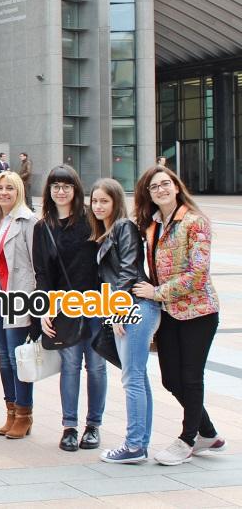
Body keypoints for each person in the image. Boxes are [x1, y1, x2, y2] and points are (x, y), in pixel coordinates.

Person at [132, 166, 224, 465]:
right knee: (171, 379)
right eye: (153, 187)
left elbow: (198, 275)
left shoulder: (195, 222)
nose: (160, 190)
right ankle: (208, 431)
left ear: (176, 186)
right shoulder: (153, 224)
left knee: (191, 376)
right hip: (170, 313)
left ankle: (188, 439)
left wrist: (156, 293)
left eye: (165, 184)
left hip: (199, 311)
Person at [35, 164, 105, 453]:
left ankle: (93, 425)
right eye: (55, 187)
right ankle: (69, 426)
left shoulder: (91, 220)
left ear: (76, 189)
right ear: (49, 192)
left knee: (97, 366)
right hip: (63, 308)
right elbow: (42, 272)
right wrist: (44, 308)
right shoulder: (43, 227)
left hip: (97, 305)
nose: (61, 191)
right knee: (71, 366)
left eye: (66, 186)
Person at [89, 178, 159, 464]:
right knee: (138, 377)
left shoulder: (123, 227)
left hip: (136, 307)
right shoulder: (105, 233)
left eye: (104, 201)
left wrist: (119, 309)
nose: (98, 206)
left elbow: (128, 269)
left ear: (117, 202)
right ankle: (139, 444)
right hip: (129, 307)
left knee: (132, 378)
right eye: (94, 201)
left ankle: (133, 446)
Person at [0, 171, 36, 439]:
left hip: (17, 295)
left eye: (10, 188)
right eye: (0, 188)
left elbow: (37, 265)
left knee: (17, 358)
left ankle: (24, 414)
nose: (4, 192)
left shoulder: (29, 221)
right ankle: (11, 411)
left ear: (19, 192)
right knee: (3, 358)